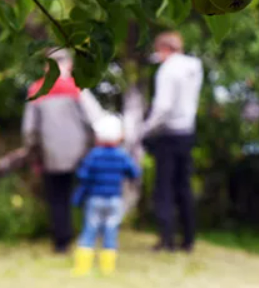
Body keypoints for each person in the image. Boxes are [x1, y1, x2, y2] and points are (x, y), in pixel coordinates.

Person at [22, 49, 104, 253]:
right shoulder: (77, 87)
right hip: (82, 154)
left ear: (46, 66)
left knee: (57, 198)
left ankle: (62, 243)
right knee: (87, 195)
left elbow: (29, 129)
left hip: (51, 155)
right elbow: (95, 120)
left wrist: (34, 154)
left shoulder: (36, 89)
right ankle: (90, 238)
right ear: (69, 65)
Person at [144, 31, 204, 252]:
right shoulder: (194, 68)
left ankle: (166, 238)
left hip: (168, 134)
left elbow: (163, 107)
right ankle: (188, 239)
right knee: (184, 186)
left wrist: (146, 129)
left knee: (164, 188)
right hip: (187, 131)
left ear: (164, 49)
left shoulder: (167, 70)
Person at [72, 115, 140, 277]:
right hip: (114, 200)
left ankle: (82, 267)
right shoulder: (121, 155)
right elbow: (134, 172)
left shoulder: (94, 155)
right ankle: (107, 268)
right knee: (111, 231)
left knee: (89, 230)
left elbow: (83, 175)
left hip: (95, 199)